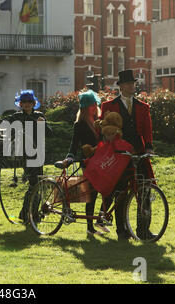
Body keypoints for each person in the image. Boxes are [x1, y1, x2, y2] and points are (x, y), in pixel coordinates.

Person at [100, 69, 155, 241]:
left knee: (145, 189)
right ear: (122, 86)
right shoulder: (108, 106)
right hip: (119, 154)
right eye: (130, 84)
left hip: (139, 152)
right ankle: (122, 230)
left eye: (133, 83)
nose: (133, 86)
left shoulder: (142, 107)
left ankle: (143, 229)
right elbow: (103, 128)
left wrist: (149, 147)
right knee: (121, 192)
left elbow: (147, 129)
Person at [0, 90, 53, 224]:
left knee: (36, 184)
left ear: (33, 103)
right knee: (34, 184)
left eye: (29, 102)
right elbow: (5, 122)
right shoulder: (17, 116)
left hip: (38, 152)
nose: (27, 105)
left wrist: (43, 124)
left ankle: (27, 214)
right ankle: (30, 215)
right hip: (26, 154)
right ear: (20, 104)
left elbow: (49, 133)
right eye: (24, 102)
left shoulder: (39, 115)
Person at [62, 90, 110, 236]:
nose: (94, 106)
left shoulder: (99, 121)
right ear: (84, 107)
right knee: (92, 193)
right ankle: (90, 227)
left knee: (109, 188)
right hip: (88, 161)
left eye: (95, 104)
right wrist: (70, 156)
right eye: (90, 105)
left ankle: (100, 218)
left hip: (101, 160)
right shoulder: (80, 124)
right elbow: (74, 143)